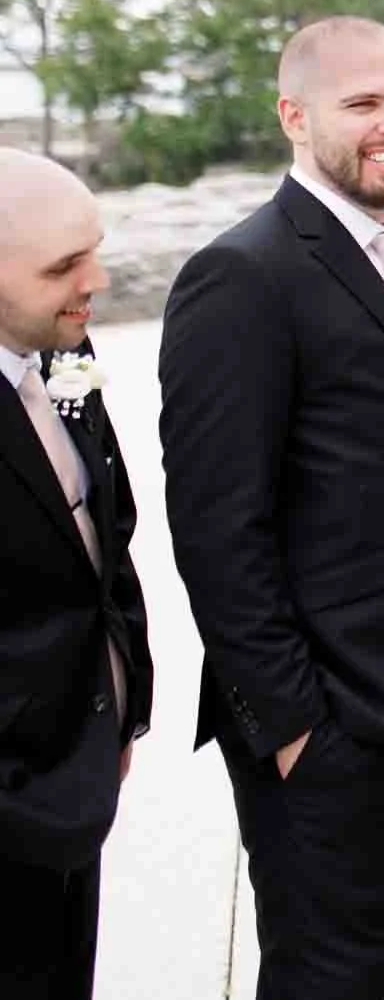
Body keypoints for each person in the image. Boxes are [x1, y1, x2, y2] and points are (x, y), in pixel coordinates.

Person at [159, 16, 384, 1000]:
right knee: (326, 979)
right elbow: (217, 527)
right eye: (361, 104)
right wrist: (293, 725)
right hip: (332, 727)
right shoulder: (243, 275)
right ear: (294, 116)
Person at [0, 150, 152, 1000]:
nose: (94, 281)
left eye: (93, 251)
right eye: (63, 266)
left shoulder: (59, 344)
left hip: (77, 771)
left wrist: (123, 704)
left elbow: (106, 528)